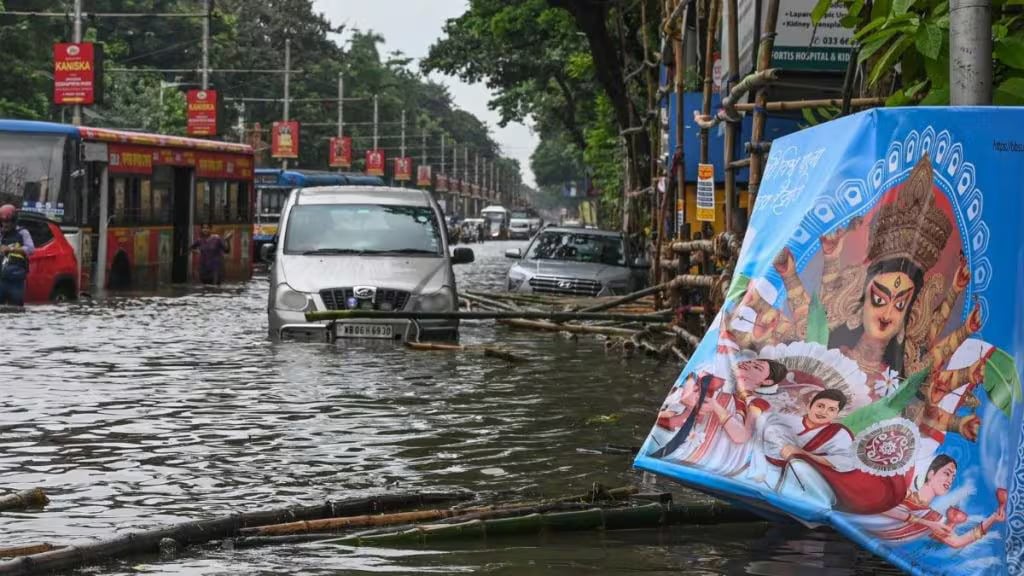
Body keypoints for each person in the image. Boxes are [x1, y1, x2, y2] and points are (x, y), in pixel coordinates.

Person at [853, 455, 1005, 548]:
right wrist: (927, 523)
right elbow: (880, 507)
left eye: (953, 478)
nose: (950, 480)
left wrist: (992, 518)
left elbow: (957, 542)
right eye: (947, 473)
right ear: (931, 473)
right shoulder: (903, 491)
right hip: (849, 523)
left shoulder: (933, 518)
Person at [0, 204, 34, 307]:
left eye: (8, 221)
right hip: (1, 280)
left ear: (14, 221)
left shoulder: (23, 233)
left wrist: (11, 249)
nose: (5, 224)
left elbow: (31, 249)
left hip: (16, 281)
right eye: (3, 221)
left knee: (16, 310)